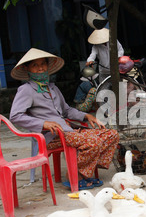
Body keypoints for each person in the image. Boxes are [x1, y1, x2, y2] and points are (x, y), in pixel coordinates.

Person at [9, 48, 119, 190]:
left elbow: (67, 110)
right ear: (27, 68)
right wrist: (44, 123)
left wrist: (86, 116)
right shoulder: (26, 90)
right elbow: (15, 116)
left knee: (111, 135)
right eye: (35, 65)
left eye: (43, 64)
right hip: (52, 136)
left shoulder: (52, 88)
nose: (40, 68)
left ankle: (84, 170)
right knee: (94, 141)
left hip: (68, 131)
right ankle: (75, 176)